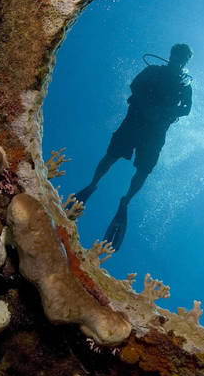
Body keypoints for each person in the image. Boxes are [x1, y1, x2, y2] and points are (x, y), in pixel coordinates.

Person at [74, 43, 193, 250]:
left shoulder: (185, 85)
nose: (178, 60)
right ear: (171, 55)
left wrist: (165, 111)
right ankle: (93, 184)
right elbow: (135, 85)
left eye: (182, 58)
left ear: (185, 61)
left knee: (144, 170)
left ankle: (125, 201)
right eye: (177, 55)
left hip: (155, 131)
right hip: (135, 121)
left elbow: (186, 110)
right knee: (111, 156)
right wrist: (150, 107)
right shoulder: (154, 70)